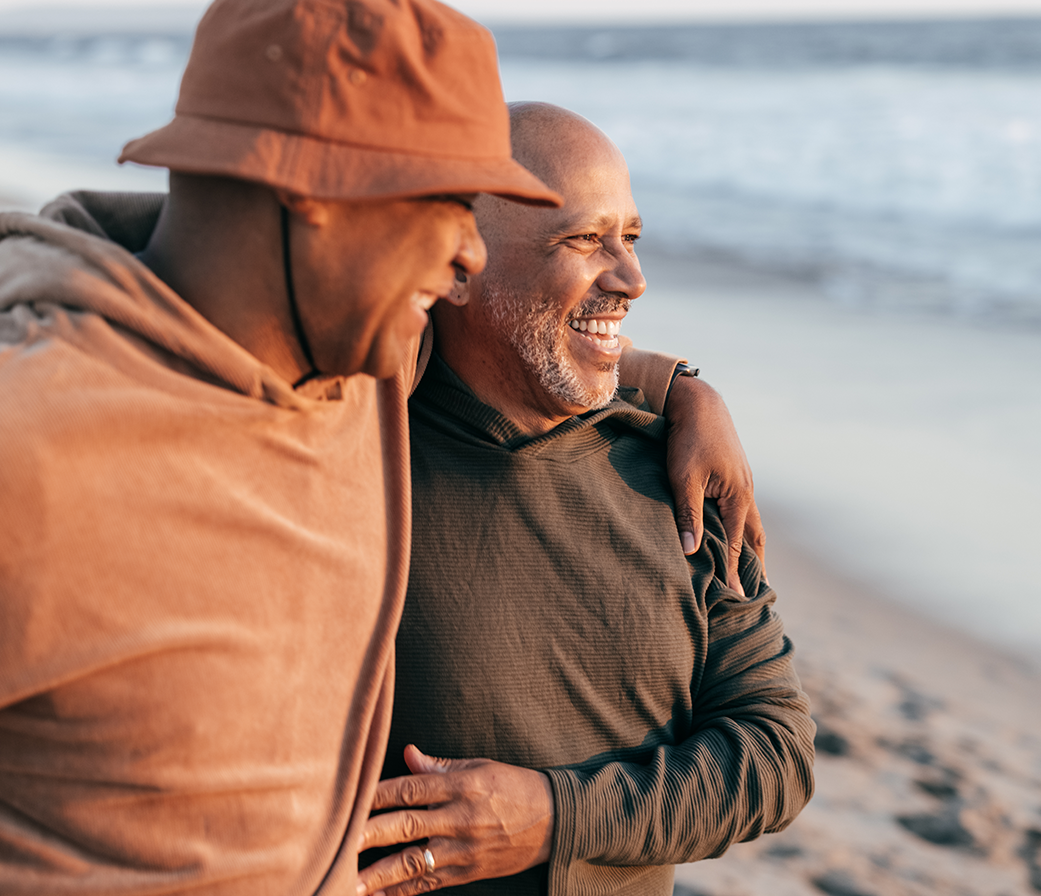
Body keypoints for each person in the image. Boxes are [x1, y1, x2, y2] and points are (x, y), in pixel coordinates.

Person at [0, 4, 759, 895]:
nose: (470, 256)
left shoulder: (363, 363)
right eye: (447, 203)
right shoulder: (37, 447)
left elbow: (526, 336)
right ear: (315, 196)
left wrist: (676, 386)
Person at [357, 103, 815, 896]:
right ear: (457, 263)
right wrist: (669, 377)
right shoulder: (352, 460)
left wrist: (556, 817)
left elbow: (776, 752)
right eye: (583, 239)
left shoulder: (678, 477)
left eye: (630, 238)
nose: (632, 278)